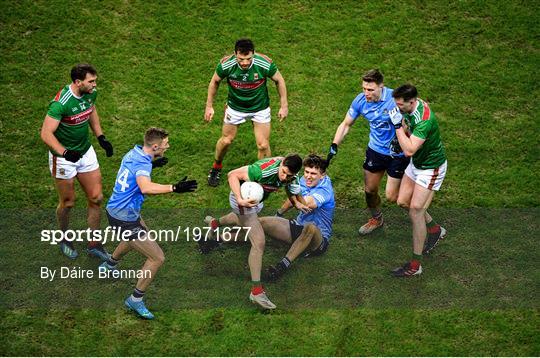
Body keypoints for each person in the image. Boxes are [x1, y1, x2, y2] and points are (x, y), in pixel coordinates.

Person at [99, 127, 197, 319]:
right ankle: (135, 299)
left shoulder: (134, 152)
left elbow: (136, 170)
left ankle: (109, 265)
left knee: (138, 234)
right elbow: (145, 187)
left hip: (119, 210)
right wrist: (174, 187)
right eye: (165, 144)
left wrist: (154, 164)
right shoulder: (143, 164)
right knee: (157, 257)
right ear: (154, 146)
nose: (167, 146)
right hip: (124, 216)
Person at [200, 154, 308, 310]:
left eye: (289, 175)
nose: (284, 177)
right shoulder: (261, 171)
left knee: (240, 220)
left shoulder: (291, 175)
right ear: (282, 164)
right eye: (283, 172)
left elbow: (289, 187)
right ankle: (256, 292)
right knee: (259, 242)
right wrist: (239, 199)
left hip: (256, 200)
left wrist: (295, 203)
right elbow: (232, 175)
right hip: (242, 199)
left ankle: (214, 223)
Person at [40, 63, 114, 261]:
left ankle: (94, 243)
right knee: (68, 202)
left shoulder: (90, 93)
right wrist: (64, 152)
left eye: (95, 80)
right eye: (91, 81)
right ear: (77, 82)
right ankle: (64, 238)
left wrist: (101, 137)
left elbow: (91, 110)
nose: (94, 85)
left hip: (85, 151)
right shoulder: (60, 103)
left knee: (96, 197)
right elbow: (46, 133)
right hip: (63, 159)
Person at [326, 69, 409, 235]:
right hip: (376, 150)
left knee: (394, 198)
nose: (366, 93)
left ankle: (424, 218)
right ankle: (377, 219)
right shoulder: (360, 101)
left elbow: (413, 121)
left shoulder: (395, 100)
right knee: (370, 190)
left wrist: (404, 130)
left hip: (397, 154)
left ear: (381, 87)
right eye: (364, 88)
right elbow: (346, 124)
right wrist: (334, 144)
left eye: (370, 89)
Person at [204, 38, 289, 187]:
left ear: (254, 54)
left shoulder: (264, 63)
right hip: (235, 108)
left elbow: (279, 80)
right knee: (226, 140)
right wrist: (209, 106)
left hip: (260, 108)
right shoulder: (226, 64)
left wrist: (284, 106)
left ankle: (261, 176)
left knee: (263, 145)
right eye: (241, 59)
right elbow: (214, 81)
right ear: (235, 54)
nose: (244, 62)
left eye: (248, 59)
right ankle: (216, 167)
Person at [388, 84, 448, 277]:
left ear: (412, 102)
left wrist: (397, 127)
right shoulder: (410, 107)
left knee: (415, 211)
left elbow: (410, 150)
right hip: (417, 165)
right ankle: (434, 229)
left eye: (400, 105)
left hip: (431, 169)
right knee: (403, 201)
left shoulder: (424, 120)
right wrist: (401, 133)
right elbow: (407, 128)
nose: (397, 108)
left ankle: (416, 265)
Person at [260, 154, 335, 282]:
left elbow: (306, 204)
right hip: (297, 227)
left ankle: (282, 266)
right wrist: (279, 214)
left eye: (313, 173)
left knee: (310, 228)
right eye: (306, 172)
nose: (308, 176)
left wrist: (292, 192)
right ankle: (219, 238)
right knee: (260, 222)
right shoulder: (304, 180)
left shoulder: (325, 191)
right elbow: (293, 197)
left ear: (322, 175)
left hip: (318, 240)